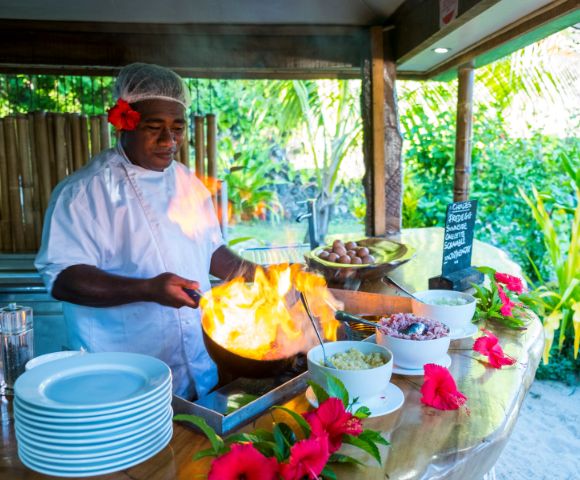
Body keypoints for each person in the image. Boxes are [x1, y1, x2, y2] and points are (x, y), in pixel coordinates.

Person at [35, 63, 257, 400]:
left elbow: (211, 249)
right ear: (124, 123)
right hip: (123, 381)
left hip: (197, 367)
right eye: (154, 127)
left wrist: (259, 275)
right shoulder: (84, 192)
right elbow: (64, 278)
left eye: (178, 128)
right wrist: (148, 288)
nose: (169, 140)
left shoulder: (186, 180)